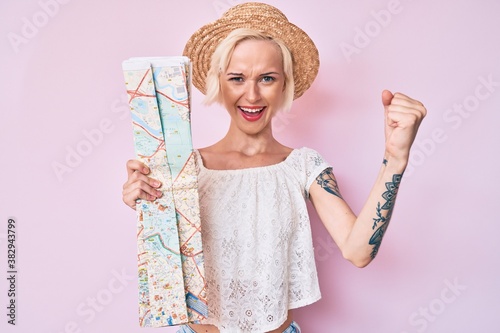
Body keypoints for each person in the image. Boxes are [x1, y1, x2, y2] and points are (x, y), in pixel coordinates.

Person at [122, 2, 426, 333]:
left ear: (284, 85)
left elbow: (358, 251)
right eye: (237, 78)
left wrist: (395, 159)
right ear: (218, 83)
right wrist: (148, 202)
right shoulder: (185, 169)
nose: (252, 94)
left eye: (267, 78)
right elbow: (164, 262)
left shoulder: (303, 166)